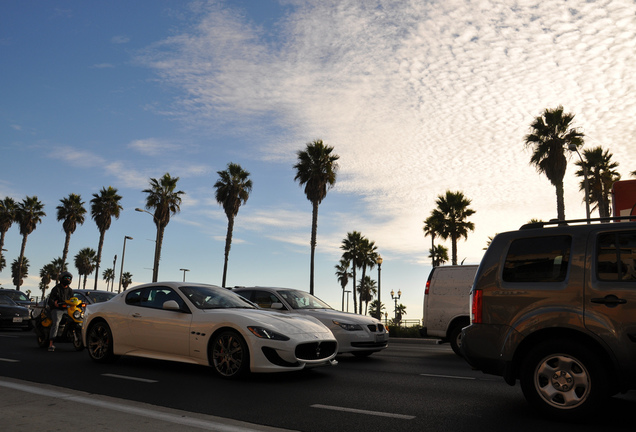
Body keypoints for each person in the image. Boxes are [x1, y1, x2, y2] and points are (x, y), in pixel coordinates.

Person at [47, 271, 74, 352]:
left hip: (67, 310)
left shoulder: (70, 291)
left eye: (69, 278)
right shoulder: (56, 289)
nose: (68, 279)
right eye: (66, 278)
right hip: (57, 309)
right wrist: (55, 304)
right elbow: (50, 300)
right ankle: (51, 344)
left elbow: (72, 300)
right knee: (56, 322)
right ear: (61, 279)